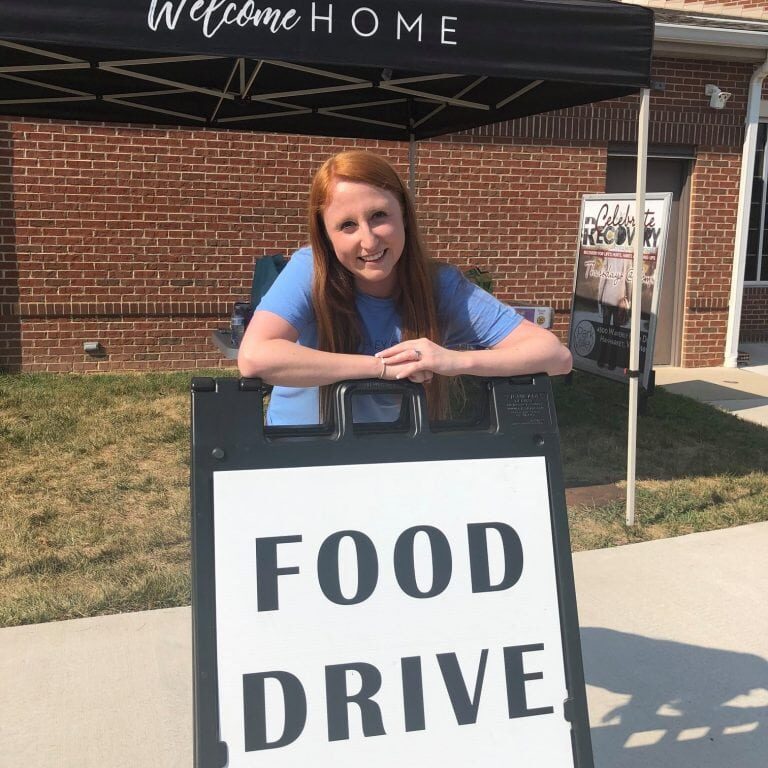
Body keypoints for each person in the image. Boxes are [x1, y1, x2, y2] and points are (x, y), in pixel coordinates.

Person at [238, 150, 572, 425]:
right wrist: (380, 368)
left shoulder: (439, 284)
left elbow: (555, 356)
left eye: (379, 215)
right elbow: (255, 357)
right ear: (326, 235)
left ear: (404, 216)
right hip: (293, 458)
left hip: (390, 461)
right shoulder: (310, 268)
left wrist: (454, 361)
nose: (368, 240)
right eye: (347, 225)